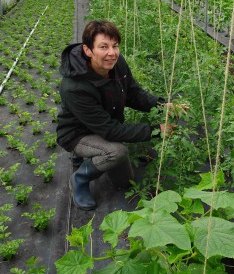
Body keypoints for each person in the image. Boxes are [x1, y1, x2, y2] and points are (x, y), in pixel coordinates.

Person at [56, 20, 183, 211]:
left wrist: (164, 105)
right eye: (103, 47)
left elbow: (133, 93)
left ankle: (93, 158)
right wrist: (156, 130)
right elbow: (110, 130)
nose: (111, 53)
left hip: (105, 125)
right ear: (88, 50)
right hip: (78, 133)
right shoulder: (74, 88)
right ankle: (79, 178)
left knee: (125, 182)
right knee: (116, 152)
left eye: (115, 46)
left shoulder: (117, 64)